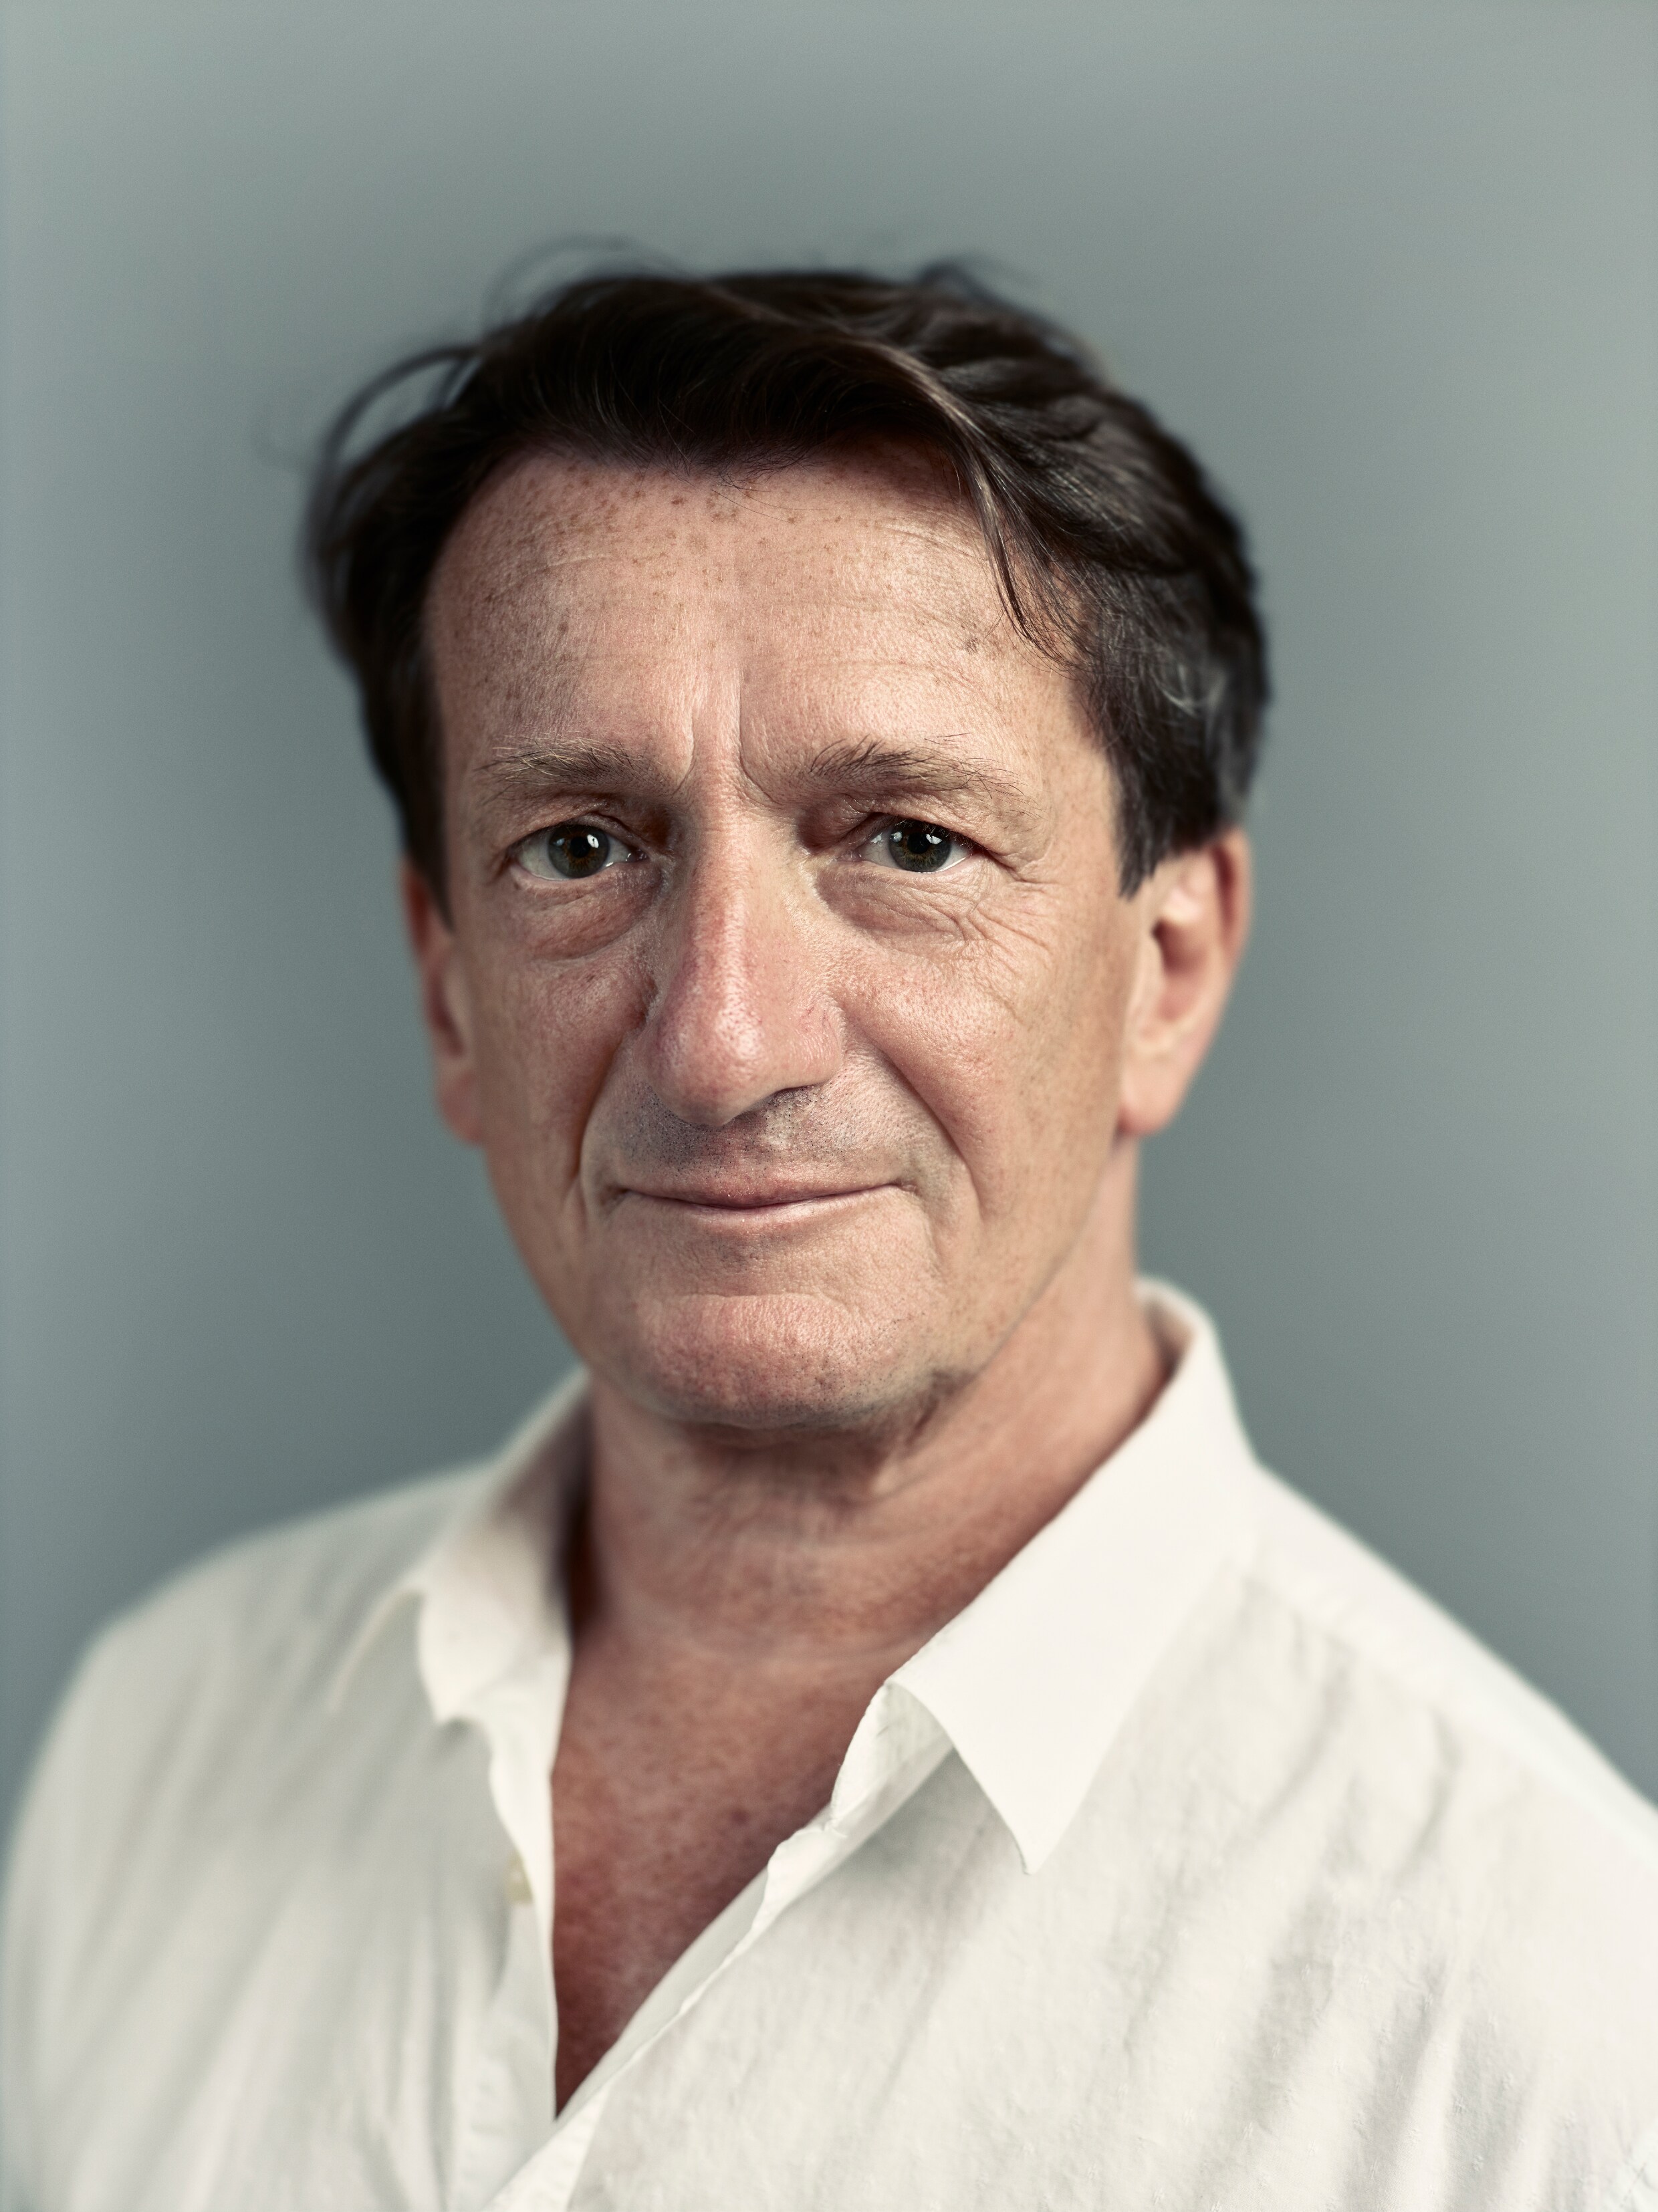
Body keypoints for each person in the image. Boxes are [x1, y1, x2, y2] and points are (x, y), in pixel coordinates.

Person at [3, 265, 1657, 2212]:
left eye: (908, 843)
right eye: (580, 848)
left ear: (1169, 972)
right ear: (449, 991)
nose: (722, 1042)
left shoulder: (1552, 2018)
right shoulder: (161, 1743)